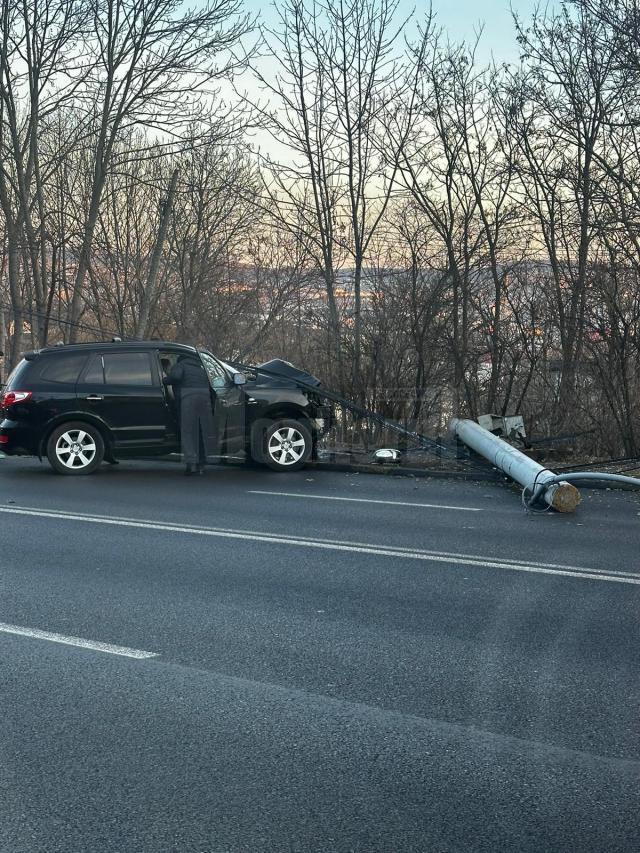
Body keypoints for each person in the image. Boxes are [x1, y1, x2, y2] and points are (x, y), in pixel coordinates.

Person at [163, 354, 215, 475]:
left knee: (187, 432)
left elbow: (175, 377)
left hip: (188, 399)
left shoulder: (180, 365)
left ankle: (191, 465)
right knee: (200, 432)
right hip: (204, 400)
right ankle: (201, 465)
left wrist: (164, 380)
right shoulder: (201, 369)